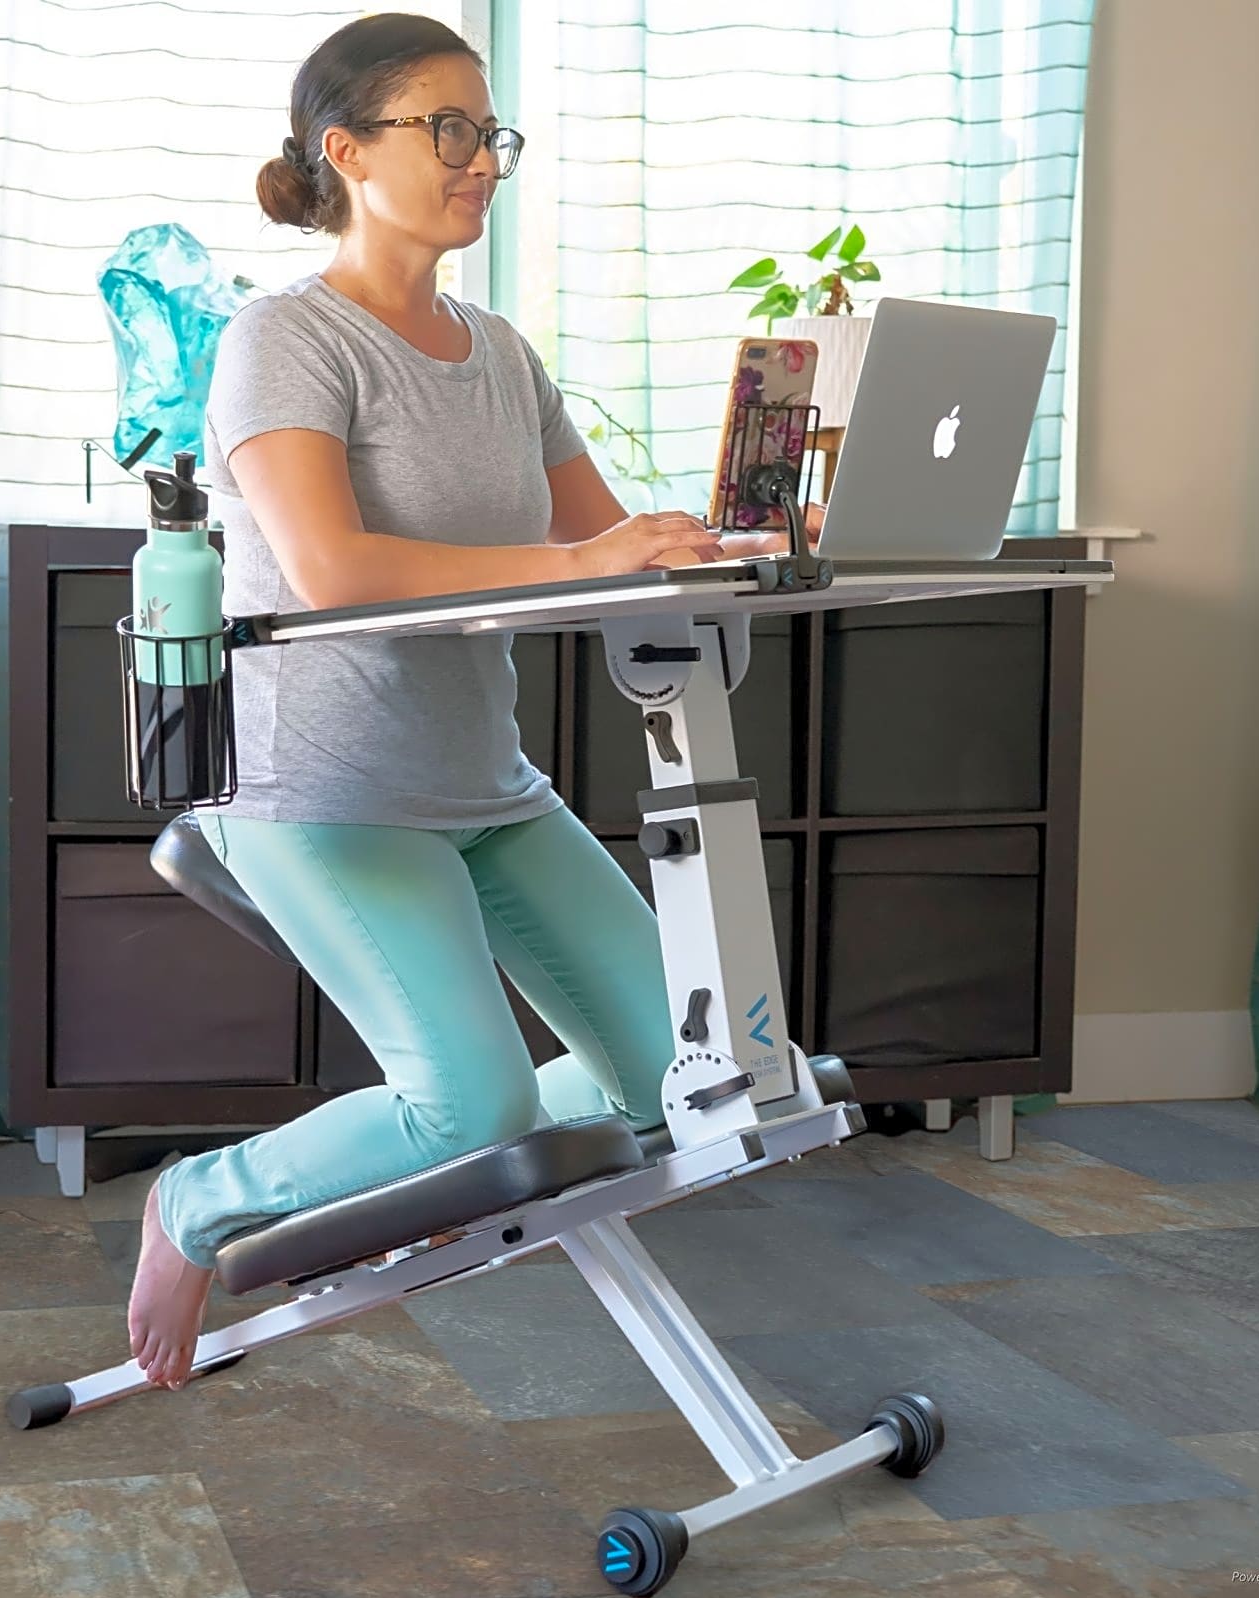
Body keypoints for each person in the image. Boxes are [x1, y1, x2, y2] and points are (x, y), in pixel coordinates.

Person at [126, 12, 815, 1391]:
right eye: (447, 129)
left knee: (671, 1083)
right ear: (346, 151)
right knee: (473, 1109)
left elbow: (601, 555)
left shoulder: (498, 352)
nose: (481, 160)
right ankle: (197, 1205)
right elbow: (329, 570)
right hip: (326, 793)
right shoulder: (285, 338)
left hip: (486, 786)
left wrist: (718, 550)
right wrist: (589, 556)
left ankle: (429, 1155)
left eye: (488, 134)